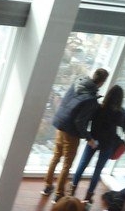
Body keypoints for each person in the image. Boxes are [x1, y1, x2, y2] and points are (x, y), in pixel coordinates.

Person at [42, 68, 108, 202]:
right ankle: (59, 194)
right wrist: (89, 138)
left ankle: (47, 186)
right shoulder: (91, 99)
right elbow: (80, 122)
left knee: (56, 157)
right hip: (71, 132)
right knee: (67, 164)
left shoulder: (77, 83)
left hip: (60, 124)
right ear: (102, 82)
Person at [70, 84, 125, 203]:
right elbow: (124, 125)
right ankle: (88, 197)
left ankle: (72, 190)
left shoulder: (98, 107)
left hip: (93, 139)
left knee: (82, 165)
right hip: (108, 143)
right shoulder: (119, 113)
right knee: (98, 170)